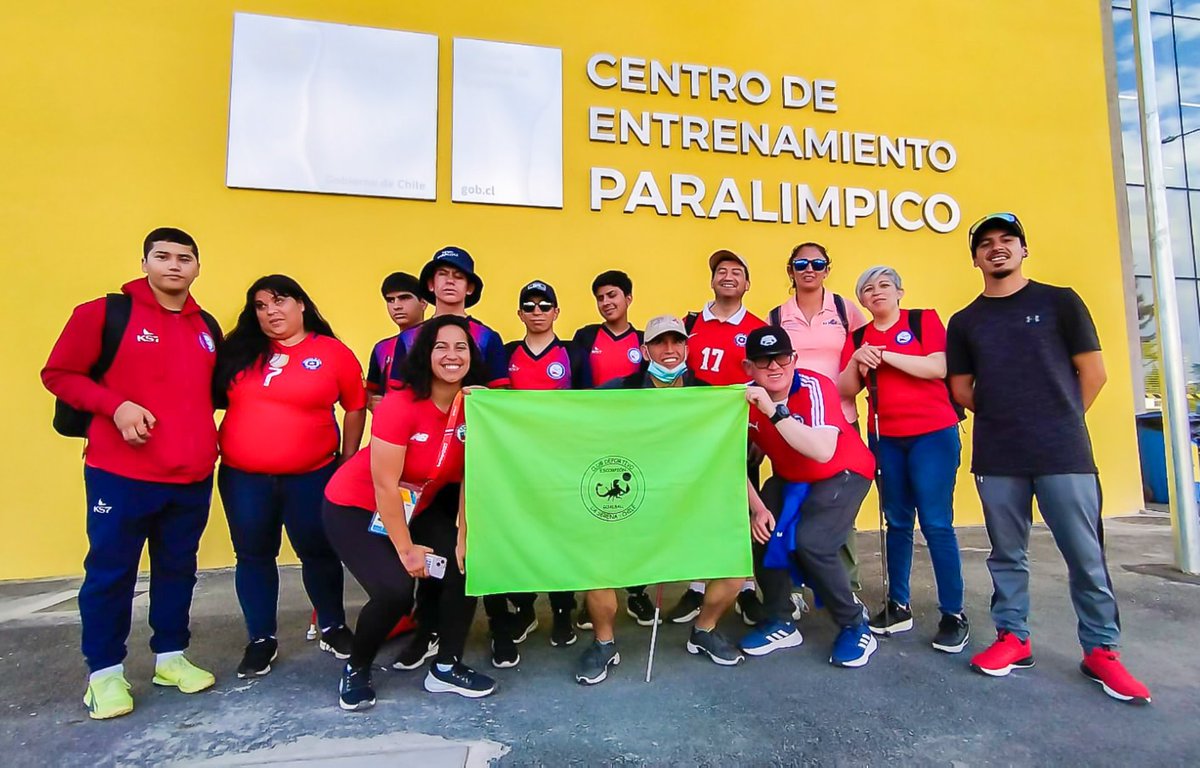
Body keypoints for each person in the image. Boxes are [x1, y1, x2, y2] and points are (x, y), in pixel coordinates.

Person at [946, 213, 1150, 704]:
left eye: (1007, 240)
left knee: (1085, 557)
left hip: (1064, 453)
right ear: (975, 257)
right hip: (997, 454)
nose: (997, 248)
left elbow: (1094, 373)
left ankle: (1101, 651)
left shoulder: (1060, 302)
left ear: (1023, 249)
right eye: (986, 243)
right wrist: (1010, 416)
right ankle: (1013, 639)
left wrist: (1055, 418)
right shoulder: (965, 321)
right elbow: (961, 388)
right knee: (1007, 555)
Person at [41, 227, 220, 719]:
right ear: (144, 263)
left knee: (178, 569)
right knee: (111, 574)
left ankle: (170, 656)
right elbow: (58, 374)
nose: (174, 265)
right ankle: (104, 673)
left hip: (190, 477)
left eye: (185, 258)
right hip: (120, 474)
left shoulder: (205, 326)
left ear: (197, 268)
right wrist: (114, 404)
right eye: (162, 256)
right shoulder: (103, 313)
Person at [322, 315, 495, 710]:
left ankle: (446, 668)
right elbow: (385, 485)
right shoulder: (400, 405)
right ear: (424, 355)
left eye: (461, 348)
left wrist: (464, 535)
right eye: (441, 347)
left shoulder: (476, 406)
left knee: (463, 565)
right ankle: (357, 666)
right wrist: (406, 550)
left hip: (419, 505)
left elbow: (472, 474)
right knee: (396, 591)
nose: (452, 356)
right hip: (356, 506)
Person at [575, 315, 747, 685]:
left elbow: (731, 451)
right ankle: (605, 643)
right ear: (644, 350)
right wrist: (489, 403)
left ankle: (704, 630)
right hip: (631, 498)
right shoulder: (618, 390)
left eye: (677, 342)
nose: (669, 351)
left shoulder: (709, 396)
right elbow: (569, 412)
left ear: (686, 347)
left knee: (734, 567)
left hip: (689, 501)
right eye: (659, 343)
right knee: (597, 567)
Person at [213, 275, 367, 677]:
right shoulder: (239, 353)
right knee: (252, 555)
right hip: (244, 478)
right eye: (261, 306)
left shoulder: (332, 353)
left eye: (279, 302)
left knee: (318, 552)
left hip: (311, 476)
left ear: (301, 305)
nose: (271, 312)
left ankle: (332, 626)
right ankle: (261, 639)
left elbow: (355, 405)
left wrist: (346, 460)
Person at [838, 266, 968, 653]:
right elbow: (846, 388)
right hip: (886, 438)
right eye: (867, 289)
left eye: (883, 286)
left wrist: (887, 356)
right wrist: (856, 361)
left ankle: (953, 613)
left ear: (899, 292)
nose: (876, 292)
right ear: (861, 300)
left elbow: (937, 367)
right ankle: (898, 603)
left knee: (935, 522)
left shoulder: (922, 320)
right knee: (895, 521)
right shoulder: (858, 336)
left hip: (933, 433)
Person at [739, 326, 879, 668]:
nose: (774, 367)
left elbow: (821, 450)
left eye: (782, 358)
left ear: (794, 359)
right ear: (749, 368)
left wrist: (773, 411)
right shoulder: (743, 400)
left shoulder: (814, 385)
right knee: (760, 531)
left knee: (812, 541)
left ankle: (854, 624)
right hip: (790, 476)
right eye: (763, 360)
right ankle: (780, 619)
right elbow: (728, 463)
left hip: (844, 471)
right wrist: (757, 508)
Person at [481, 281, 581, 668]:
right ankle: (523, 607)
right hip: (516, 464)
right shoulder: (505, 354)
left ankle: (562, 611)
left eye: (545, 305)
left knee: (561, 539)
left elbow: (594, 405)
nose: (537, 311)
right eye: (529, 306)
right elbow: (492, 401)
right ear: (519, 313)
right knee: (517, 536)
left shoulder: (572, 354)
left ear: (557, 312)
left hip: (562, 463)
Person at [668, 249, 767, 626]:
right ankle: (696, 585)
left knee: (741, 511)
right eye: (720, 271)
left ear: (746, 284)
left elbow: (764, 381)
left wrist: (759, 434)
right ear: (711, 281)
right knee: (697, 508)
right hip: (694, 435)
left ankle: (743, 588)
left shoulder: (757, 328)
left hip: (738, 433)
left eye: (736, 272)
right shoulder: (689, 322)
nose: (727, 276)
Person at [768, 242, 867, 591]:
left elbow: (861, 356)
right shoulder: (778, 316)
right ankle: (793, 589)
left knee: (840, 508)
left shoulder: (844, 309)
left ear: (827, 268)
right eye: (800, 263)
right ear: (790, 270)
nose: (809, 268)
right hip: (793, 423)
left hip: (839, 418)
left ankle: (846, 586)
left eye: (817, 262)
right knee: (793, 503)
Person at [569, 270, 656, 628]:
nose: (607, 303)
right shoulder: (585, 337)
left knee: (636, 513)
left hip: (636, 440)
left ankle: (637, 592)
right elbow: (574, 388)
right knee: (600, 513)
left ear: (629, 298)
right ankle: (596, 593)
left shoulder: (644, 340)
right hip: (595, 437)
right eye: (601, 297)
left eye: (613, 296)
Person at [386, 246, 509, 389]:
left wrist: (484, 394)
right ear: (431, 284)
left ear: (469, 288)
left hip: (468, 411)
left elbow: (498, 394)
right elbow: (396, 392)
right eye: (443, 274)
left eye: (458, 276)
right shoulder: (409, 337)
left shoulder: (488, 337)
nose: (450, 281)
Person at [365, 272, 426, 409]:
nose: (396, 306)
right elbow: (371, 389)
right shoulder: (382, 347)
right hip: (392, 425)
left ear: (423, 302)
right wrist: (372, 403)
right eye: (390, 300)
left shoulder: (439, 339)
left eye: (404, 298)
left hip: (430, 424)